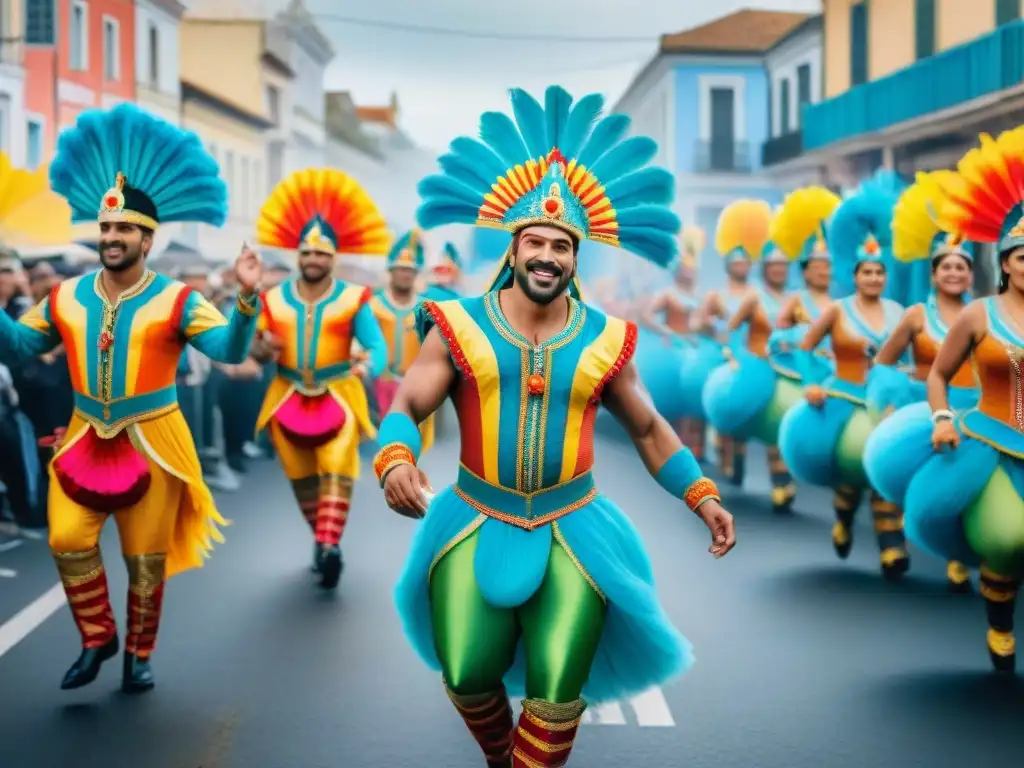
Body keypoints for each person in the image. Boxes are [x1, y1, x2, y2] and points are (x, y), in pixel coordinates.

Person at [377, 84, 736, 767]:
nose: (547, 255)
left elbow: (650, 429)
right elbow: (409, 404)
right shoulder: (457, 325)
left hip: (576, 528)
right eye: (535, 242)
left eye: (561, 245)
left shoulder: (607, 337)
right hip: (474, 517)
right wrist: (395, 457)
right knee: (466, 673)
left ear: (576, 257)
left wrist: (703, 496)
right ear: (513, 250)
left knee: (555, 693)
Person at [0, 103, 262, 694]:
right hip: (82, 436)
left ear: (147, 237)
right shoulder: (65, 296)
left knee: (145, 561)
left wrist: (247, 300)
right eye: (106, 228)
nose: (112, 238)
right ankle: (98, 638)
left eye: (124, 229)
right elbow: (18, 348)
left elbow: (227, 349)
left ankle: (139, 655)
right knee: (67, 539)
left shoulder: (177, 299)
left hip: (154, 442)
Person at [899, 127, 1024, 671]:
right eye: (1023, 256)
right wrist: (943, 418)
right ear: (1006, 263)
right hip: (989, 443)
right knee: (1007, 537)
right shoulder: (978, 314)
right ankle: (1000, 624)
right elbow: (938, 375)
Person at [251, 167, 389, 589]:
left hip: (339, 394)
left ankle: (329, 546)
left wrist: (365, 368)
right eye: (307, 253)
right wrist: (261, 348)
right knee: (303, 481)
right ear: (298, 255)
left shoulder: (353, 298)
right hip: (286, 395)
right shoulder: (272, 299)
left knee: (336, 471)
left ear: (334, 258)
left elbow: (377, 347)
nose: (313, 260)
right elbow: (255, 348)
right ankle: (323, 538)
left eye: (321, 254)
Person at [778, 171, 909, 579]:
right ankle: (844, 519)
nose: (874, 278)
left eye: (880, 272)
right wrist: (811, 384)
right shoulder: (837, 310)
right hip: (844, 397)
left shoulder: (898, 313)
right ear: (855, 276)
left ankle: (892, 545)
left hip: (884, 401)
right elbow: (804, 346)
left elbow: (909, 356)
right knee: (853, 473)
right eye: (867, 272)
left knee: (886, 466)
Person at [861, 170, 977, 592]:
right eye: (946, 266)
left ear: (970, 275)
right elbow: (884, 362)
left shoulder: (982, 314)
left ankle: (958, 555)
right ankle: (892, 541)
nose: (954, 272)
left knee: (963, 483)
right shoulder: (915, 316)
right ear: (933, 274)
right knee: (899, 467)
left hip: (975, 409)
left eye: (961, 266)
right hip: (923, 407)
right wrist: (891, 398)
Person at [702, 204, 801, 513]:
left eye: (783, 265)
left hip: (786, 370)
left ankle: (781, 481)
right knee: (749, 415)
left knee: (778, 424)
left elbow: (810, 331)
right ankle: (730, 447)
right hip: (755, 367)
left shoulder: (795, 299)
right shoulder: (754, 297)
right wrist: (733, 355)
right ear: (765, 269)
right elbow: (731, 329)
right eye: (773, 266)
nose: (778, 270)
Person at [691, 203, 760, 485]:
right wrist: (712, 328)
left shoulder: (757, 294)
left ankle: (739, 452)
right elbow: (696, 323)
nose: (741, 266)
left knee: (743, 405)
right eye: (737, 263)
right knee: (722, 404)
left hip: (747, 355)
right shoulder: (716, 296)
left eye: (745, 263)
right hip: (721, 356)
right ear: (728, 266)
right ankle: (723, 450)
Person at [369, 229, 436, 452]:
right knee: (390, 446)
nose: (405, 274)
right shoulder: (373, 306)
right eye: (400, 269)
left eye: (410, 270)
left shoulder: (427, 309)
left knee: (412, 446)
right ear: (391, 271)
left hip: (416, 386)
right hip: (382, 385)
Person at [770, 186, 841, 386]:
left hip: (833, 371)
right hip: (802, 370)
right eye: (817, 268)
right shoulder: (797, 299)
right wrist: (797, 337)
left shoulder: (837, 303)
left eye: (827, 267)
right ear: (805, 272)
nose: (824, 273)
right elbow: (777, 337)